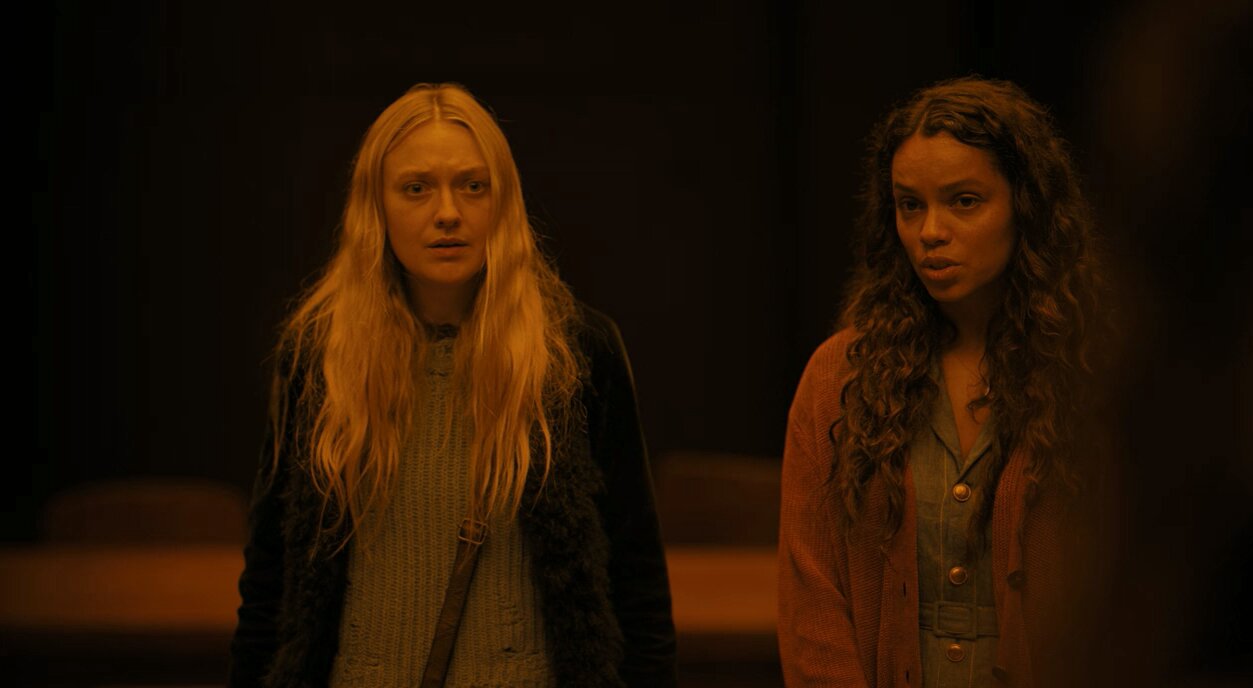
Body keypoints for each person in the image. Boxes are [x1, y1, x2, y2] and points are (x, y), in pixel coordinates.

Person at [229, 83, 676, 688]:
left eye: (472, 185)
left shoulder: (573, 352)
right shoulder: (319, 357)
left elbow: (637, 581)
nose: (447, 212)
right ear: (376, 207)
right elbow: (270, 584)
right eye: (416, 188)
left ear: (503, 202)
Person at [778, 77, 1113, 688]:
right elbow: (812, 600)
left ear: (1025, 206)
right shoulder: (841, 375)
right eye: (910, 205)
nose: (931, 231)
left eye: (964, 201)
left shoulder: (1094, 371)